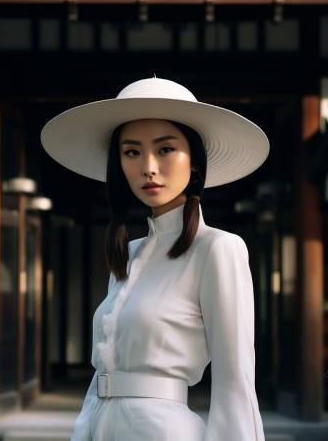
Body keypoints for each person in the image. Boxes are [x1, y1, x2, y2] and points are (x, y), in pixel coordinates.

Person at [41, 77, 269, 441]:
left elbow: (235, 381)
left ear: (194, 161)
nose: (148, 166)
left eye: (165, 150)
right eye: (132, 152)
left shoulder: (218, 248)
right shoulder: (129, 254)